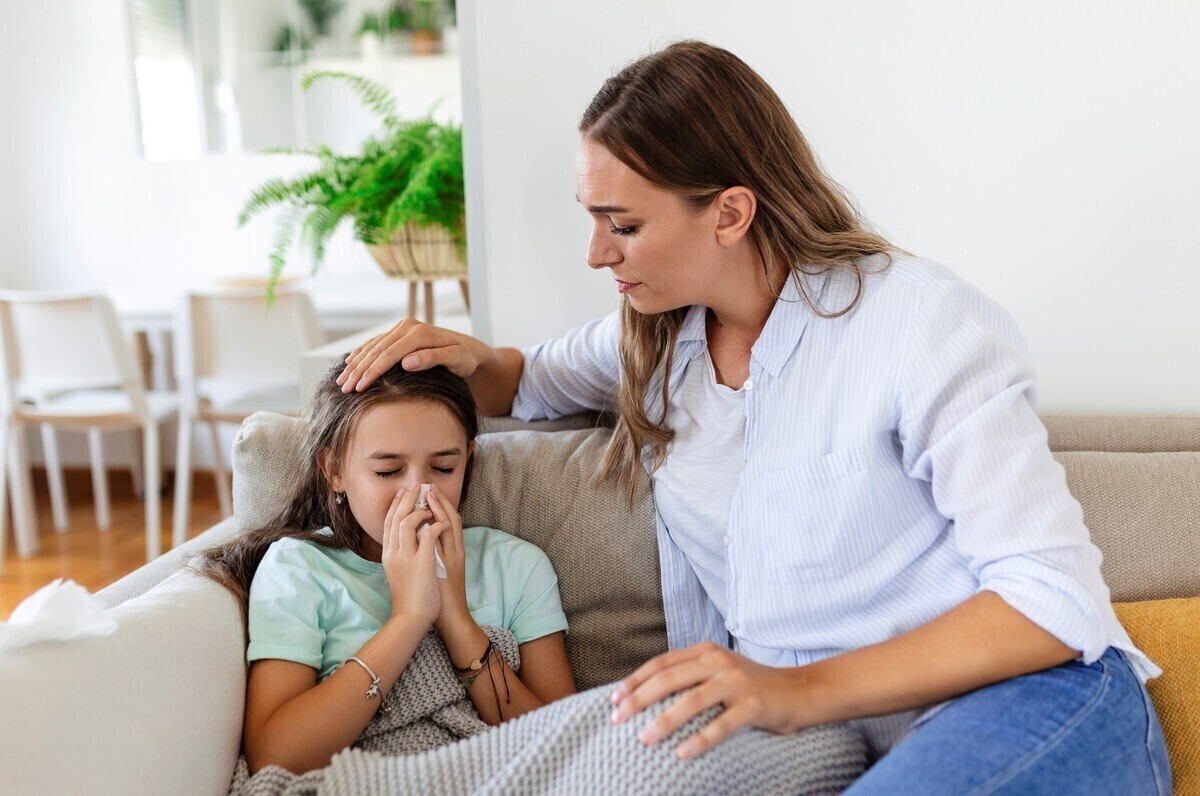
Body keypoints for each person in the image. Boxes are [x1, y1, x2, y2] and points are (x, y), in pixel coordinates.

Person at [336, 40, 1172, 793]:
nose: (596, 253)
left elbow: (1051, 598)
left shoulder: (921, 326)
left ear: (730, 213)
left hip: (1015, 700)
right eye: (592, 218)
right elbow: (525, 382)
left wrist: (793, 689)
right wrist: (453, 355)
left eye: (622, 224)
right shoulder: (656, 340)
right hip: (819, 733)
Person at [195, 362, 576, 777]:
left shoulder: (518, 565)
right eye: (388, 471)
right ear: (334, 470)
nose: (418, 495)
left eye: (444, 468)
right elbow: (275, 757)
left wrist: (456, 619)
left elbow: (570, 744)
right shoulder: (298, 570)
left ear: (468, 457)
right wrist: (409, 618)